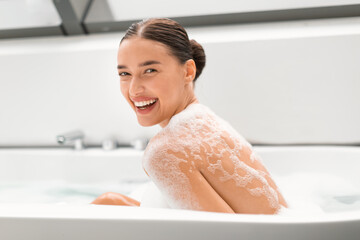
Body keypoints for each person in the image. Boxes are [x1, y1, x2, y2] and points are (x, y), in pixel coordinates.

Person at [91, 17, 288, 214]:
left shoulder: (166, 151)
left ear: (188, 71)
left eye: (150, 70)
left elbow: (226, 235)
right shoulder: (205, 122)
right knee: (108, 201)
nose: (134, 90)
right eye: (125, 74)